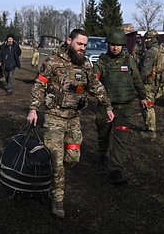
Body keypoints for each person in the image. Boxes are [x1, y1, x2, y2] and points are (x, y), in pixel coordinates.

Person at [26, 28, 114, 219]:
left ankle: (51, 174)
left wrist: (107, 105)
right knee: (57, 162)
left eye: (85, 45)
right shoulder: (53, 62)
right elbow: (40, 85)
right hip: (54, 118)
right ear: (69, 41)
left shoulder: (85, 64)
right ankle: (57, 201)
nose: (83, 48)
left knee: (72, 158)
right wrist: (33, 109)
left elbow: (95, 86)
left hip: (74, 119)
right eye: (79, 44)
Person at [93, 29, 146, 184]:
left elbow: (137, 79)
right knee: (103, 134)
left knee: (120, 138)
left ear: (123, 45)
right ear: (108, 45)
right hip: (105, 106)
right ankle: (102, 154)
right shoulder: (102, 61)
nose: (115, 48)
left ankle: (116, 169)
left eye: (118, 45)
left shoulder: (129, 61)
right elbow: (94, 79)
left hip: (125, 106)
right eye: (112, 44)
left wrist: (143, 97)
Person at [139, 30, 164, 141]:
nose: (146, 41)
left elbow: (145, 71)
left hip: (149, 83)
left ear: (154, 39)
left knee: (147, 106)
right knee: (150, 105)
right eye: (146, 39)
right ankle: (149, 128)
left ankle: (150, 130)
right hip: (159, 82)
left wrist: (137, 81)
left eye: (148, 39)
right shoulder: (163, 51)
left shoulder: (150, 52)